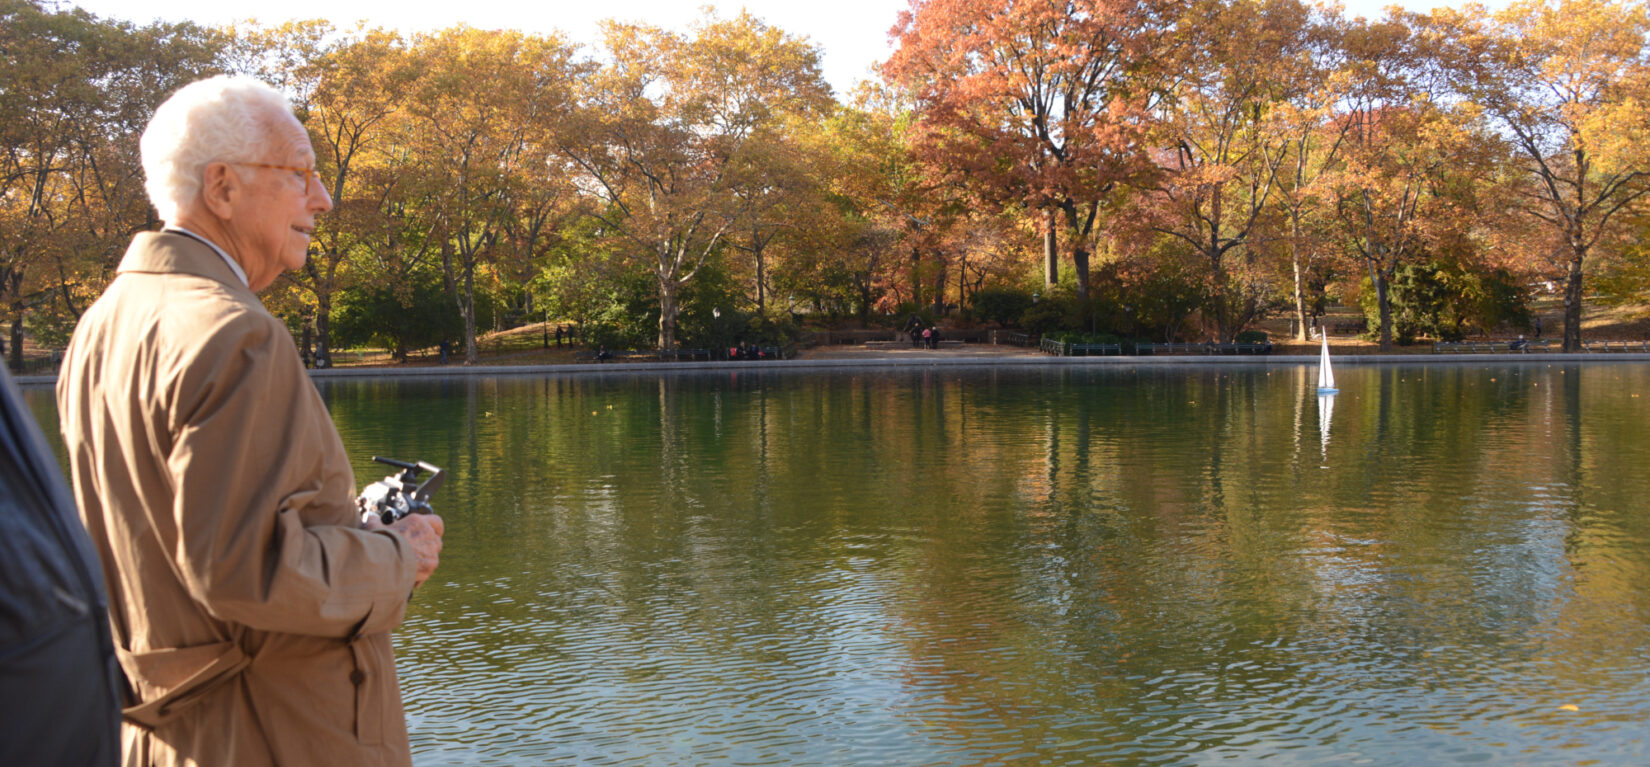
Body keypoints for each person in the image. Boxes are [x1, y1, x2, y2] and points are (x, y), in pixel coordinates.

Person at [55, 75, 444, 767]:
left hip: (166, 737)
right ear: (223, 187)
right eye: (300, 174)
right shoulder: (237, 333)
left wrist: (344, 528)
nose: (322, 199)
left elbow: (186, 545)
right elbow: (247, 571)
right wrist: (397, 554)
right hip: (276, 735)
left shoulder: (104, 324)